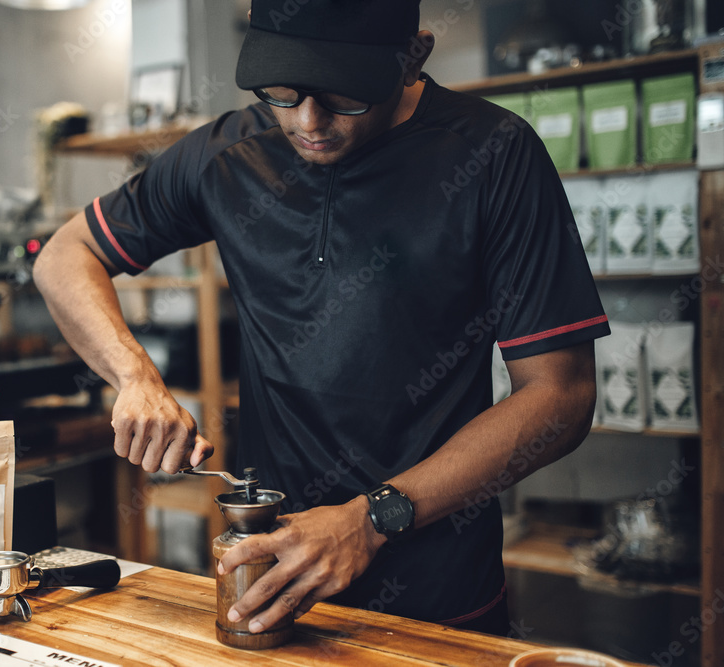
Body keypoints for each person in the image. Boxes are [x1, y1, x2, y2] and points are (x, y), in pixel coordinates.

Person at [33, 0, 610, 638]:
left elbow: (561, 395)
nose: (308, 122)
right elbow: (64, 255)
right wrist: (134, 375)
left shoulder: (494, 156)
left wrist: (372, 518)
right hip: (277, 588)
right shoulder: (228, 154)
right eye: (282, 92)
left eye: (344, 96)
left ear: (413, 55)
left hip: (440, 595)